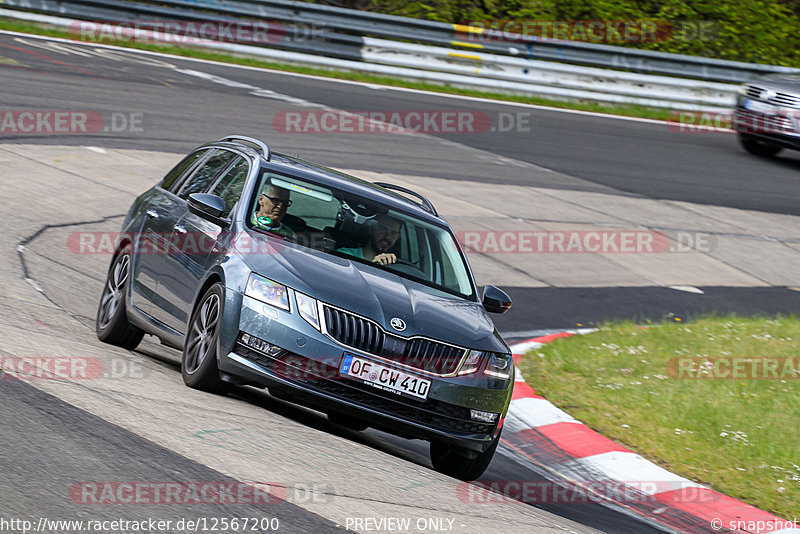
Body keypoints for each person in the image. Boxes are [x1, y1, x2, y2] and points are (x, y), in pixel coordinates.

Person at [337, 214, 401, 265]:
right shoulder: (346, 254)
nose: (387, 237)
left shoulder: (396, 266)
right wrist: (374, 264)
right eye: (383, 230)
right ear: (372, 230)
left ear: (397, 237)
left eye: (394, 233)